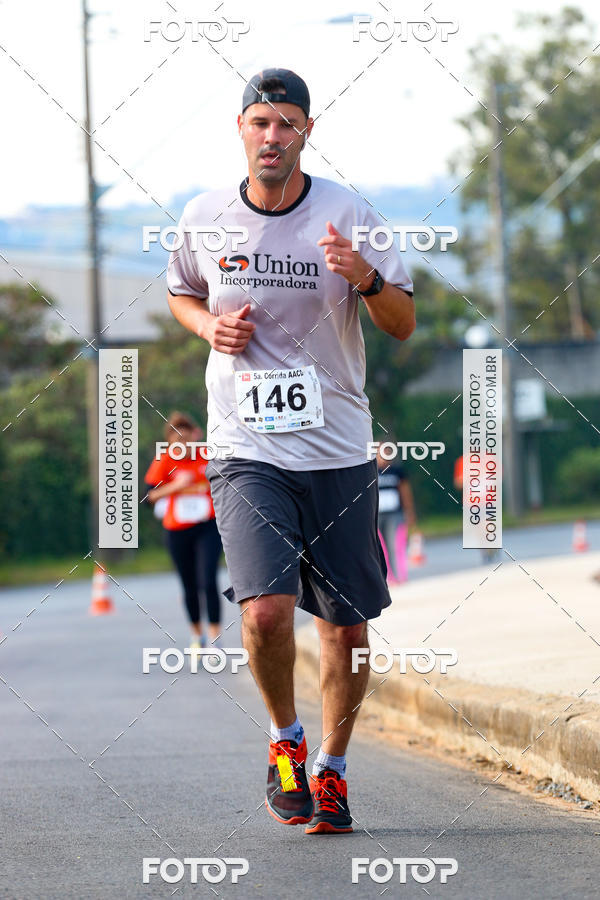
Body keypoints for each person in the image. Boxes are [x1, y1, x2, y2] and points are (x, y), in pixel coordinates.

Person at [166, 68, 415, 834]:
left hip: (338, 451)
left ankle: (333, 771)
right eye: (259, 123)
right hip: (245, 449)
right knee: (267, 612)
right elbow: (181, 291)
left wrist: (364, 276)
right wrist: (210, 329)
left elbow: (402, 323)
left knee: (345, 629)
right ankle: (284, 740)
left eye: (286, 124)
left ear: (307, 131)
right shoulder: (205, 216)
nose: (272, 137)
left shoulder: (348, 213)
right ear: (240, 129)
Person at [145, 412, 222, 649]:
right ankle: (197, 634)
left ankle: (215, 636)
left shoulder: (206, 457)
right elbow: (148, 496)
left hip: (207, 526)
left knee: (208, 580)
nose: (182, 446)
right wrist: (176, 486)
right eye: (177, 443)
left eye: (186, 440)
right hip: (177, 530)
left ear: (194, 437)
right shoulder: (164, 461)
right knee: (189, 584)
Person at [376, 445, 417, 583]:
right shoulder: (370, 472)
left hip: (395, 514)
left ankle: (402, 575)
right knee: (382, 549)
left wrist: (409, 511)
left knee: (397, 546)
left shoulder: (397, 471)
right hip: (377, 516)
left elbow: (405, 492)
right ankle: (389, 577)